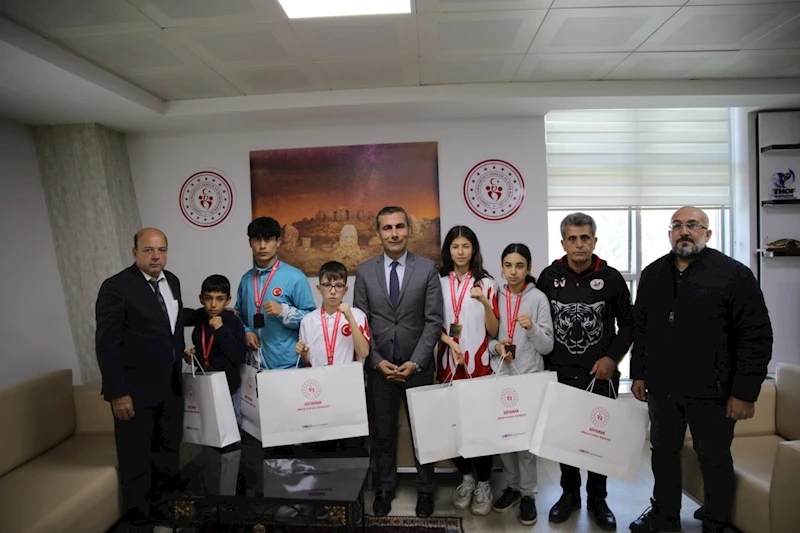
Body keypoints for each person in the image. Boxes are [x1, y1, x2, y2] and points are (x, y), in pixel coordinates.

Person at [629, 206, 773, 533]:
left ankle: (716, 521)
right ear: (669, 233)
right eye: (677, 225)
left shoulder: (733, 275)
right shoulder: (653, 274)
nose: (684, 231)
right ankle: (665, 515)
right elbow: (642, 328)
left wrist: (744, 392)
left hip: (714, 389)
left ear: (707, 234)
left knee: (714, 456)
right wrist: (639, 372)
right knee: (663, 453)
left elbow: (756, 336)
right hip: (663, 387)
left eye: (693, 225)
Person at [537, 212, 634, 531]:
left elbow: (629, 325)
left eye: (585, 238)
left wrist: (612, 359)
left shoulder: (611, 278)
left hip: (600, 376)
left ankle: (598, 499)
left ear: (594, 240)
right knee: (565, 440)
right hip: (560, 374)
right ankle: (569, 496)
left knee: (597, 441)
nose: (579, 244)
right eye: (572, 239)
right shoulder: (549, 276)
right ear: (563, 242)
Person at [353, 206, 444, 518]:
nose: (394, 234)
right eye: (387, 228)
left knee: (423, 432)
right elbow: (360, 322)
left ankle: (426, 490)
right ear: (378, 233)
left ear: (409, 230)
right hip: (380, 369)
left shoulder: (427, 269)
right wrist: (376, 361)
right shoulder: (365, 272)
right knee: (383, 433)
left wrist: (416, 362)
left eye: (399, 227)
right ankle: (384, 488)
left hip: (417, 368)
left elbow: (433, 321)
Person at [95, 228, 186, 532]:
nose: (156, 256)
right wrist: (117, 393)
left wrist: (213, 314)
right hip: (134, 393)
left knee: (167, 457)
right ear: (135, 253)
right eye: (148, 250)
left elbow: (169, 323)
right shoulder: (116, 287)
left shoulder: (172, 281)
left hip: (170, 388)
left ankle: (164, 517)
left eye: (161, 250)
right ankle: (140, 523)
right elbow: (107, 345)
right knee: (136, 462)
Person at [487, 243, 554, 526]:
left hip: (529, 378)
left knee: (526, 444)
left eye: (519, 266)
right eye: (508, 265)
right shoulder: (495, 296)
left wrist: (532, 328)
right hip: (501, 377)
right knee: (505, 439)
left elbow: (547, 346)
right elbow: (486, 338)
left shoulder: (538, 298)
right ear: (501, 267)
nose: (513, 272)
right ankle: (512, 487)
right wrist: (496, 347)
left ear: (528, 268)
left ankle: (528, 494)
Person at [436, 226, 500, 516]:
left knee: (480, 428)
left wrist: (484, 301)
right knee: (452, 427)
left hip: (479, 366)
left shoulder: (487, 283)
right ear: (448, 251)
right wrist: (450, 342)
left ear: (474, 249)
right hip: (448, 365)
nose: (460, 252)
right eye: (455, 246)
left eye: (465, 246)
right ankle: (466, 478)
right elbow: (432, 323)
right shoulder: (438, 283)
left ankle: (484, 483)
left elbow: (493, 329)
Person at [235, 216, 316, 370]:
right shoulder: (246, 280)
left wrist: (284, 312)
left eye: (268, 240)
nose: (262, 246)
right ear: (250, 243)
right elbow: (238, 315)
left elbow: (312, 319)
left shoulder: (295, 277)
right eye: (257, 240)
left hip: (290, 365)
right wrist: (246, 331)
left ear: (278, 242)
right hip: (257, 366)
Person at [184, 274, 247, 427]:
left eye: (219, 299)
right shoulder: (200, 320)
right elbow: (206, 350)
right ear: (201, 299)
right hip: (205, 385)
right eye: (208, 298)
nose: (213, 304)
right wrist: (193, 356)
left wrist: (220, 329)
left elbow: (239, 356)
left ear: (228, 300)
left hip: (228, 387)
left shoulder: (232, 321)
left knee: (230, 430)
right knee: (207, 429)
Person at [296, 261, 370, 369]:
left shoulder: (357, 315)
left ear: (346, 290)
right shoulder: (308, 321)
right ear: (319, 289)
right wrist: (303, 354)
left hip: (348, 377)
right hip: (319, 377)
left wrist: (350, 319)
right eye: (327, 285)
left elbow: (363, 353)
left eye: (339, 286)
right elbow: (309, 361)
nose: (333, 291)